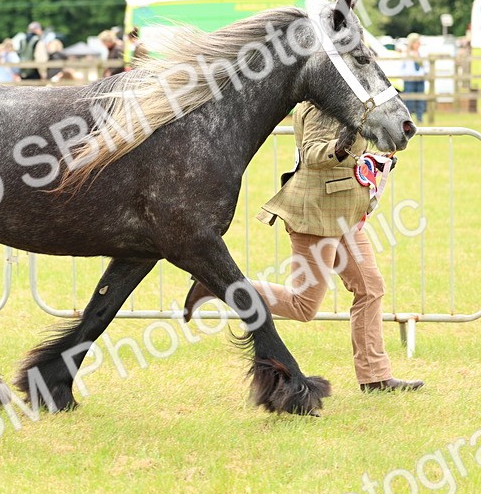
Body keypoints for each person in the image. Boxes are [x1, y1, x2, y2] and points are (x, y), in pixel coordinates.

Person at [182, 102, 423, 394]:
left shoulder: (349, 102)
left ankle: (376, 376)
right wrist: (340, 147)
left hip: (344, 211)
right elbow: (312, 154)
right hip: (316, 214)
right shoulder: (321, 107)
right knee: (303, 305)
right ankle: (218, 285)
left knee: (370, 288)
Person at [401, 33, 427, 124]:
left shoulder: (422, 53)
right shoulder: (406, 53)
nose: (418, 44)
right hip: (410, 79)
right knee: (409, 99)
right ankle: (408, 118)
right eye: (416, 42)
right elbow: (405, 67)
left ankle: (420, 118)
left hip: (420, 78)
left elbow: (425, 66)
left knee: (420, 98)